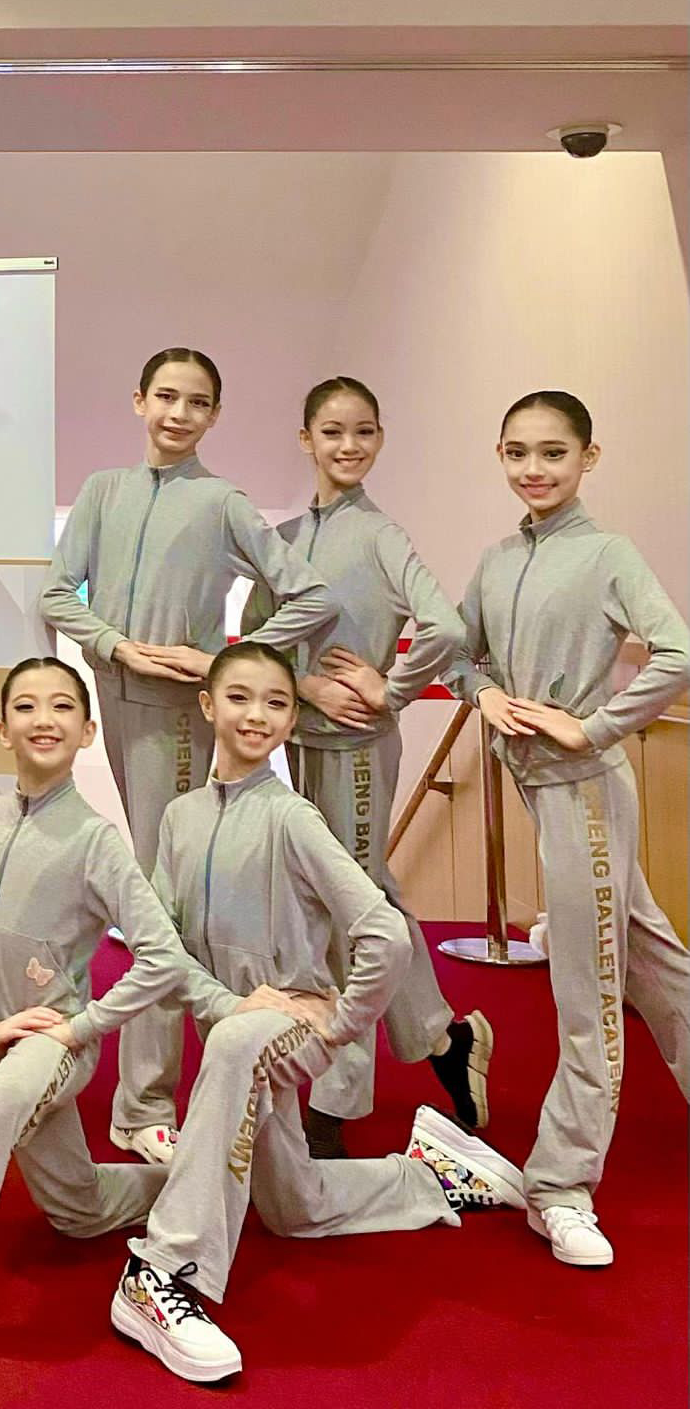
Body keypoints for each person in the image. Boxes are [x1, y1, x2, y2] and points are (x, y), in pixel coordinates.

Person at [0, 656, 298, 1377]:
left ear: (88, 731)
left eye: (63, 707)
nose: (44, 720)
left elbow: (162, 955)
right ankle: (209, 1184)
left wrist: (83, 1027)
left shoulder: (96, 840)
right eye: (27, 707)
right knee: (78, 1209)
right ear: (2, 728)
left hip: (55, 1044)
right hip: (4, 1038)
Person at [110, 642, 524, 1384]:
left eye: (276, 702)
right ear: (207, 706)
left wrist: (338, 1025)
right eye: (239, 697)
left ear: (292, 719)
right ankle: (432, 1175)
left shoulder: (292, 817)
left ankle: (164, 1270)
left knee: (235, 1045)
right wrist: (227, 1003)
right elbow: (160, 946)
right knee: (292, 1208)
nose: (257, 714)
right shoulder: (179, 818)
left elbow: (385, 932)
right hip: (236, 1022)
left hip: (288, 1024)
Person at [41, 347, 337, 1163]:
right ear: (139, 400)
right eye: (166, 397)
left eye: (197, 402)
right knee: (157, 895)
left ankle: (145, 1104)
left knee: (157, 903)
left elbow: (310, 595)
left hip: (179, 718)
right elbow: (57, 592)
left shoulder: (222, 502)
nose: (179, 414)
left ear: (215, 414)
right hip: (118, 699)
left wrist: (224, 665)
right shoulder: (103, 491)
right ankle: (156, 1095)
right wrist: (116, 647)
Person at [444, 390, 690, 1268]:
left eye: (553, 452)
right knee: (651, 955)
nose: (534, 469)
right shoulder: (498, 558)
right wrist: (484, 694)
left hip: (585, 790)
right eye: (517, 452)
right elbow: (460, 652)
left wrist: (593, 728)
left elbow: (677, 652)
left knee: (588, 993)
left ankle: (562, 1184)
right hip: (541, 787)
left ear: (589, 457)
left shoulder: (608, 553)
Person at [244, 375, 492, 1159]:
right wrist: (305, 684)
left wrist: (392, 688)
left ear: (379, 439)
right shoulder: (283, 539)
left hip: (356, 749)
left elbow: (446, 628)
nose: (348, 446)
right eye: (332, 431)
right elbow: (257, 639)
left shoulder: (381, 535)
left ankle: (337, 1101)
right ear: (306, 440)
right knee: (360, 894)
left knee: (349, 910)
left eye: (363, 432)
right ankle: (442, 1037)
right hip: (302, 740)